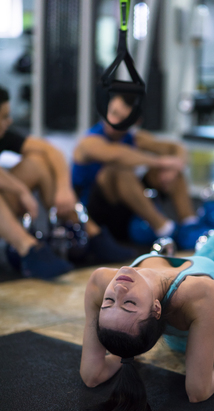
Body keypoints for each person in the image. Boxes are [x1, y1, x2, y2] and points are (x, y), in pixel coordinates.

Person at [80, 198, 214, 411]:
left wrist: (125, 351)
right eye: (129, 304)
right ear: (156, 308)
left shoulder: (100, 282)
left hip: (192, 332)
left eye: (109, 301)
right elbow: (197, 391)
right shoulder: (199, 293)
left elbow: (91, 376)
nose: (119, 288)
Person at [0, 86, 136, 280]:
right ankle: (28, 248)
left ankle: (91, 233)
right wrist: (20, 189)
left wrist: (64, 189)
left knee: (38, 162)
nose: (9, 121)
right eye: (4, 117)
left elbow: (50, 150)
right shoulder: (93, 138)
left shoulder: (4, 134)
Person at [72, 93, 210, 250]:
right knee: (117, 169)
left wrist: (174, 166)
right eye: (113, 113)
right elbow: (118, 154)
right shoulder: (89, 142)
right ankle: (165, 229)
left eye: (123, 119)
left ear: (135, 122)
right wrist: (161, 161)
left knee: (169, 171)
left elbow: (176, 148)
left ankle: (189, 225)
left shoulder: (135, 138)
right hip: (93, 214)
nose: (113, 121)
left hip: (126, 212)